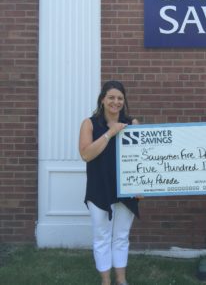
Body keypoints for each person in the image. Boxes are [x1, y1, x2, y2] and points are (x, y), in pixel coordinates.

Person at [79, 80, 140, 285]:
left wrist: (141, 186)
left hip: (126, 188)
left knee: (121, 236)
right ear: (103, 99)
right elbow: (86, 154)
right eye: (111, 97)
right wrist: (110, 133)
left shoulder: (132, 124)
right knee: (102, 236)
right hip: (99, 188)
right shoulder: (89, 123)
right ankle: (106, 281)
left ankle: (121, 280)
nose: (116, 102)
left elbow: (141, 158)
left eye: (120, 98)